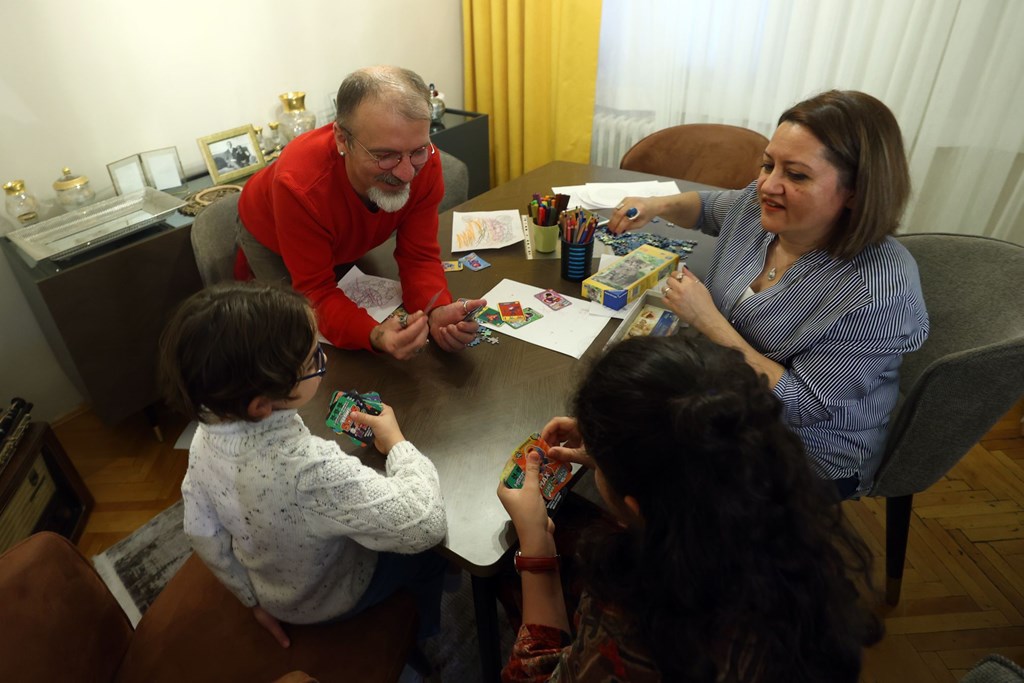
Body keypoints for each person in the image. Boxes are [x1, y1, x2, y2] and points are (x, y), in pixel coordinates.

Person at [498, 334, 880, 681]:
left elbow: (535, 676)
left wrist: (536, 551)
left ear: (639, 507)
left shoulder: (634, 628)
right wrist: (623, 446)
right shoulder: (786, 519)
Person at [607, 90, 929, 498]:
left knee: (645, 464)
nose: (766, 185)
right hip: (726, 391)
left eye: (796, 175)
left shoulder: (877, 294)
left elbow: (799, 405)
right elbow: (707, 208)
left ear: (855, 192)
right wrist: (657, 205)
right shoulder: (758, 207)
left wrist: (707, 320)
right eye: (767, 164)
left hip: (807, 451)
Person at [158, 281, 448, 645]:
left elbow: (201, 532)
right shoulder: (310, 471)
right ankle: (428, 635)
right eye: (314, 359)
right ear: (261, 405)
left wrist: (251, 600)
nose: (322, 361)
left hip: (271, 590)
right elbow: (426, 522)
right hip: (327, 600)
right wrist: (397, 444)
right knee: (436, 556)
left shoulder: (205, 435)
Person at [236, 65, 484, 360]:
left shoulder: (425, 162)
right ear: (343, 140)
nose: (406, 173)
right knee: (291, 334)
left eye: (417, 151)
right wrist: (374, 334)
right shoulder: (299, 186)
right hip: (271, 235)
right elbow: (315, 291)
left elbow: (419, 256)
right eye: (384, 155)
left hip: (340, 237)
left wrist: (436, 309)